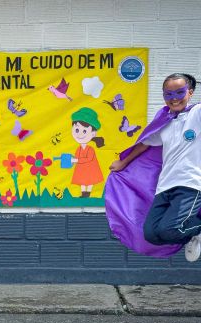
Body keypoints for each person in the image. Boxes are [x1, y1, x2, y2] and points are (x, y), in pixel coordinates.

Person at [106, 73, 201, 262]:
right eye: (168, 94)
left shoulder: (196, 113)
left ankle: (195, 230)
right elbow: (144, 144)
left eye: (179, 92)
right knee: (151, 233)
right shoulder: (165, 123)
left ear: (190, 92)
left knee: (169, 229)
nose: (174, 99)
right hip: (164, 186)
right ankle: (193, 234)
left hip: (190, 184)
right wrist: (123, 162)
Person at [70, 107, 105, 197]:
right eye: (77, 130)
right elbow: (76, 157)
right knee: (82, 180)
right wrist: (71, 160)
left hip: (90, 168)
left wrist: (76, 160)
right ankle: (83, 193)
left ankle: (88, 193)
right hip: (81, 169)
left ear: (93, 134)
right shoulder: (78, 148)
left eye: (84, 131)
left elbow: (88, 158)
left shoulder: (90, 149)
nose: (80, 134)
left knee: (90, 181)